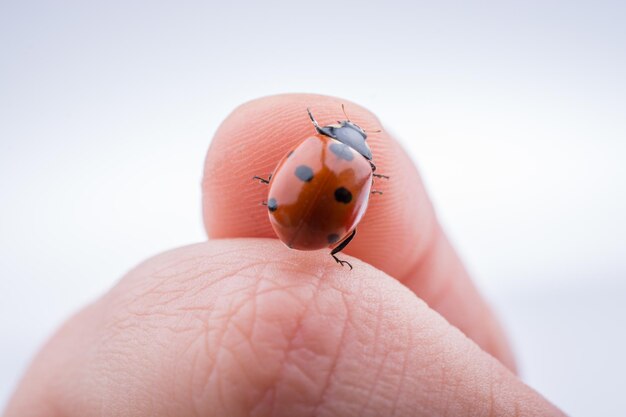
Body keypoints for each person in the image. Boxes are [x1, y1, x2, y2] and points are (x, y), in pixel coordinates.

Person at [4, 94, 565, 416]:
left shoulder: (319, 147)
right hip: (318, 234)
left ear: (328, 130)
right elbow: (349, 205)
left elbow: (296, 176)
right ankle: (334, 254)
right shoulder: (364, 169)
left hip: (286, 213)